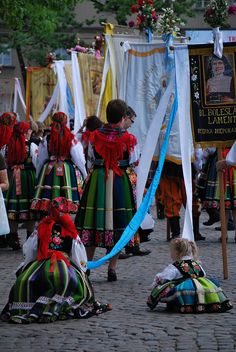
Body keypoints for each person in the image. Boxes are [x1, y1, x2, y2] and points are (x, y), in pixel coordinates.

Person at [0, 198, 112, 324]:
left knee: (25, 279)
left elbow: (30, 250)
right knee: (72, 281)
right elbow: (78, 255)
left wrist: (25, 266)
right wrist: (82, 271)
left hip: (42, 261)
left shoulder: (42, 226)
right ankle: (54, 306)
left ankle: (23, 306)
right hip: (62, 262)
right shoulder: (70, 229)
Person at [75, 99, 140, 281]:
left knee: (94, 220)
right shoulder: (129, 138)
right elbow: (135, 162)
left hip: (98, 180)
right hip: (119, 180)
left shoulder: (94, 136)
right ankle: (112, 269)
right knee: (117, 222)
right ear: (122, 116)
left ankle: (86, 266)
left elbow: (88, 159)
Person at [147, 237, 233, 313]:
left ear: (178, 253)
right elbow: (203, 274)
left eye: (172, 252)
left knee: (167, 286)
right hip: (200, 287)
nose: (171, 254)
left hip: (185, 289)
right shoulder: (196, 263)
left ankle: (183, 304)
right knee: (211, 282)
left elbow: (163, 277)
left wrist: (155, 286)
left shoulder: (175, 266)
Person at [31, 112, 87, 215]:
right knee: (67, 199)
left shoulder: (46, 139)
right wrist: (84, 173)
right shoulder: (72, 139)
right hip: (66, 170)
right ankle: (64, 223)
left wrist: (39, 176)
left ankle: (52, 223)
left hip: (49, 170)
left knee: (49, 200)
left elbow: (41, 161)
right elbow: (78, 159)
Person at [4, 121, 39, 249]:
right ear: (25, 132)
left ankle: (13, 238)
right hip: (27, 178)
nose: (30, 133)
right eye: (29, 131)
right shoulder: (32, 146)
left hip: (13, 177)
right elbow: (37, 164)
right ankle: (29, 239)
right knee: (30, 209)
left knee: (13, 207)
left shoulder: (7, 146)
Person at [215, 144, 236, 242]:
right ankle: (224, 234)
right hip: (224, 169)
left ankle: (225, 234)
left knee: (233, 206)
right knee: (224, 205)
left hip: (230, 168)